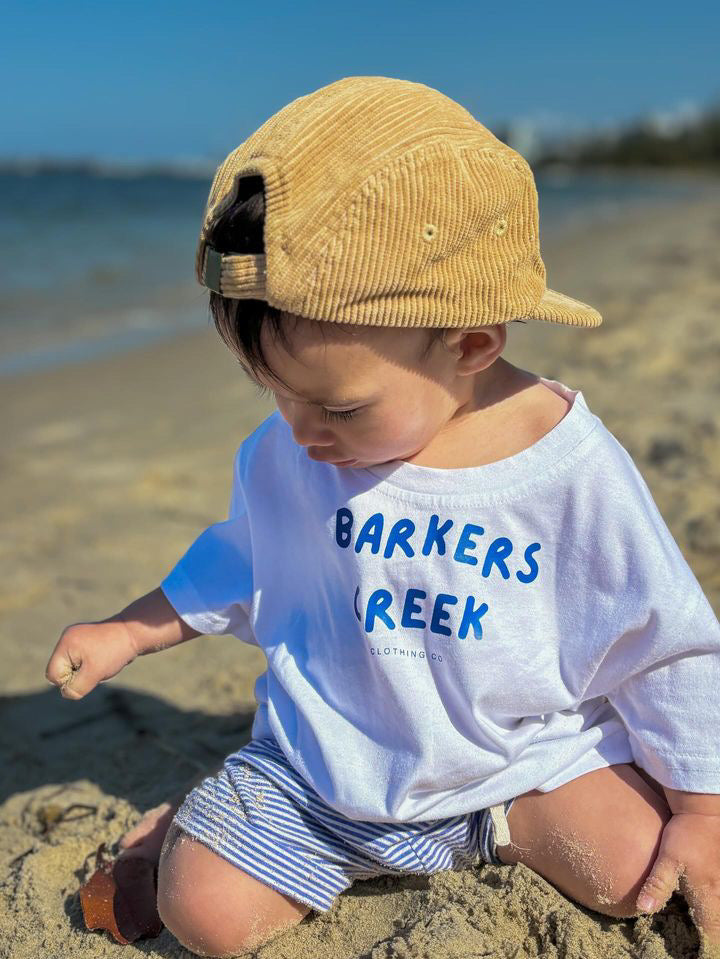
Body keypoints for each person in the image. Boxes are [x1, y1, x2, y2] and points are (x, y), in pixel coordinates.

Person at [45, 76, 720, 959]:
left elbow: (659, 640)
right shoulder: (293, 447)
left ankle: (501, 828)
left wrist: (704, 809)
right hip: (324, 773)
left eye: (340, 407)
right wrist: (129, 631)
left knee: (636, 876)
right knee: (201, 912)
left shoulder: (569, 471)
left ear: (471, 344)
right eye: (276, 393)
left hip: (518, 764)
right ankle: (201, 823)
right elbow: (247, 560)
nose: (298, 431)